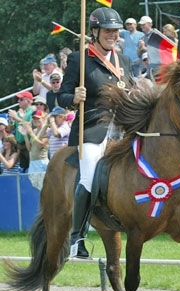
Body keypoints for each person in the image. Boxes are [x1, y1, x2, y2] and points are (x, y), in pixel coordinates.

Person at [57, 7, 133, 258]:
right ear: (95, 31)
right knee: (89, 176)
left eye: (116, 31)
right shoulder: (80, 60)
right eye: (108, 30)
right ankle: (77, 237)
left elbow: (131, 91)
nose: (113, 35)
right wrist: (73, 97)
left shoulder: (124, 61)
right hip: (92, 129)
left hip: (122, 129)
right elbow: (62, 95)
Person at [7, 91, 35, 172]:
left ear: (29, 101)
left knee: (30, 170)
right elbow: (9, 130)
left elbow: (30, 126)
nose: (18, 101)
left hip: (29, 145)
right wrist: (12, 121)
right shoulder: (19, 113)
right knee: (24, 170)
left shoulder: (32, 112)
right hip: (20, 146)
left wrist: (16, 117)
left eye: (21, 99)